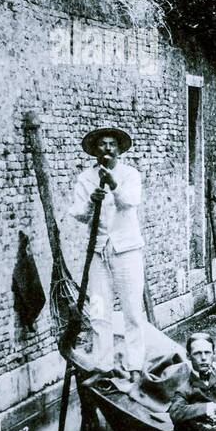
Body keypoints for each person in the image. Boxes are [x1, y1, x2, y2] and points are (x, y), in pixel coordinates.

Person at [66, 125, 147, 380]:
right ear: (95, 150)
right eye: (103, 144)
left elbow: (130, 202)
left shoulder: (130, 175)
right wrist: (92, 200)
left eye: (112, 144)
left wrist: (113, 185)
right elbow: (78, 214)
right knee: (100, 310)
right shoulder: (85, 178)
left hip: (126, 250)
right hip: (99, 251)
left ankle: (135, 365)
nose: (108, 149)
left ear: (119, 149)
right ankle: (103, 365)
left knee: (132, 309)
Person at [167, 332, 216, 431]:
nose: (203, 358)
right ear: (188, 356)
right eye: (197, 353)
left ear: (214, 354)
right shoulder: (184, 389)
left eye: (207, 352)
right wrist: (212, 407)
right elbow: (176, 412)